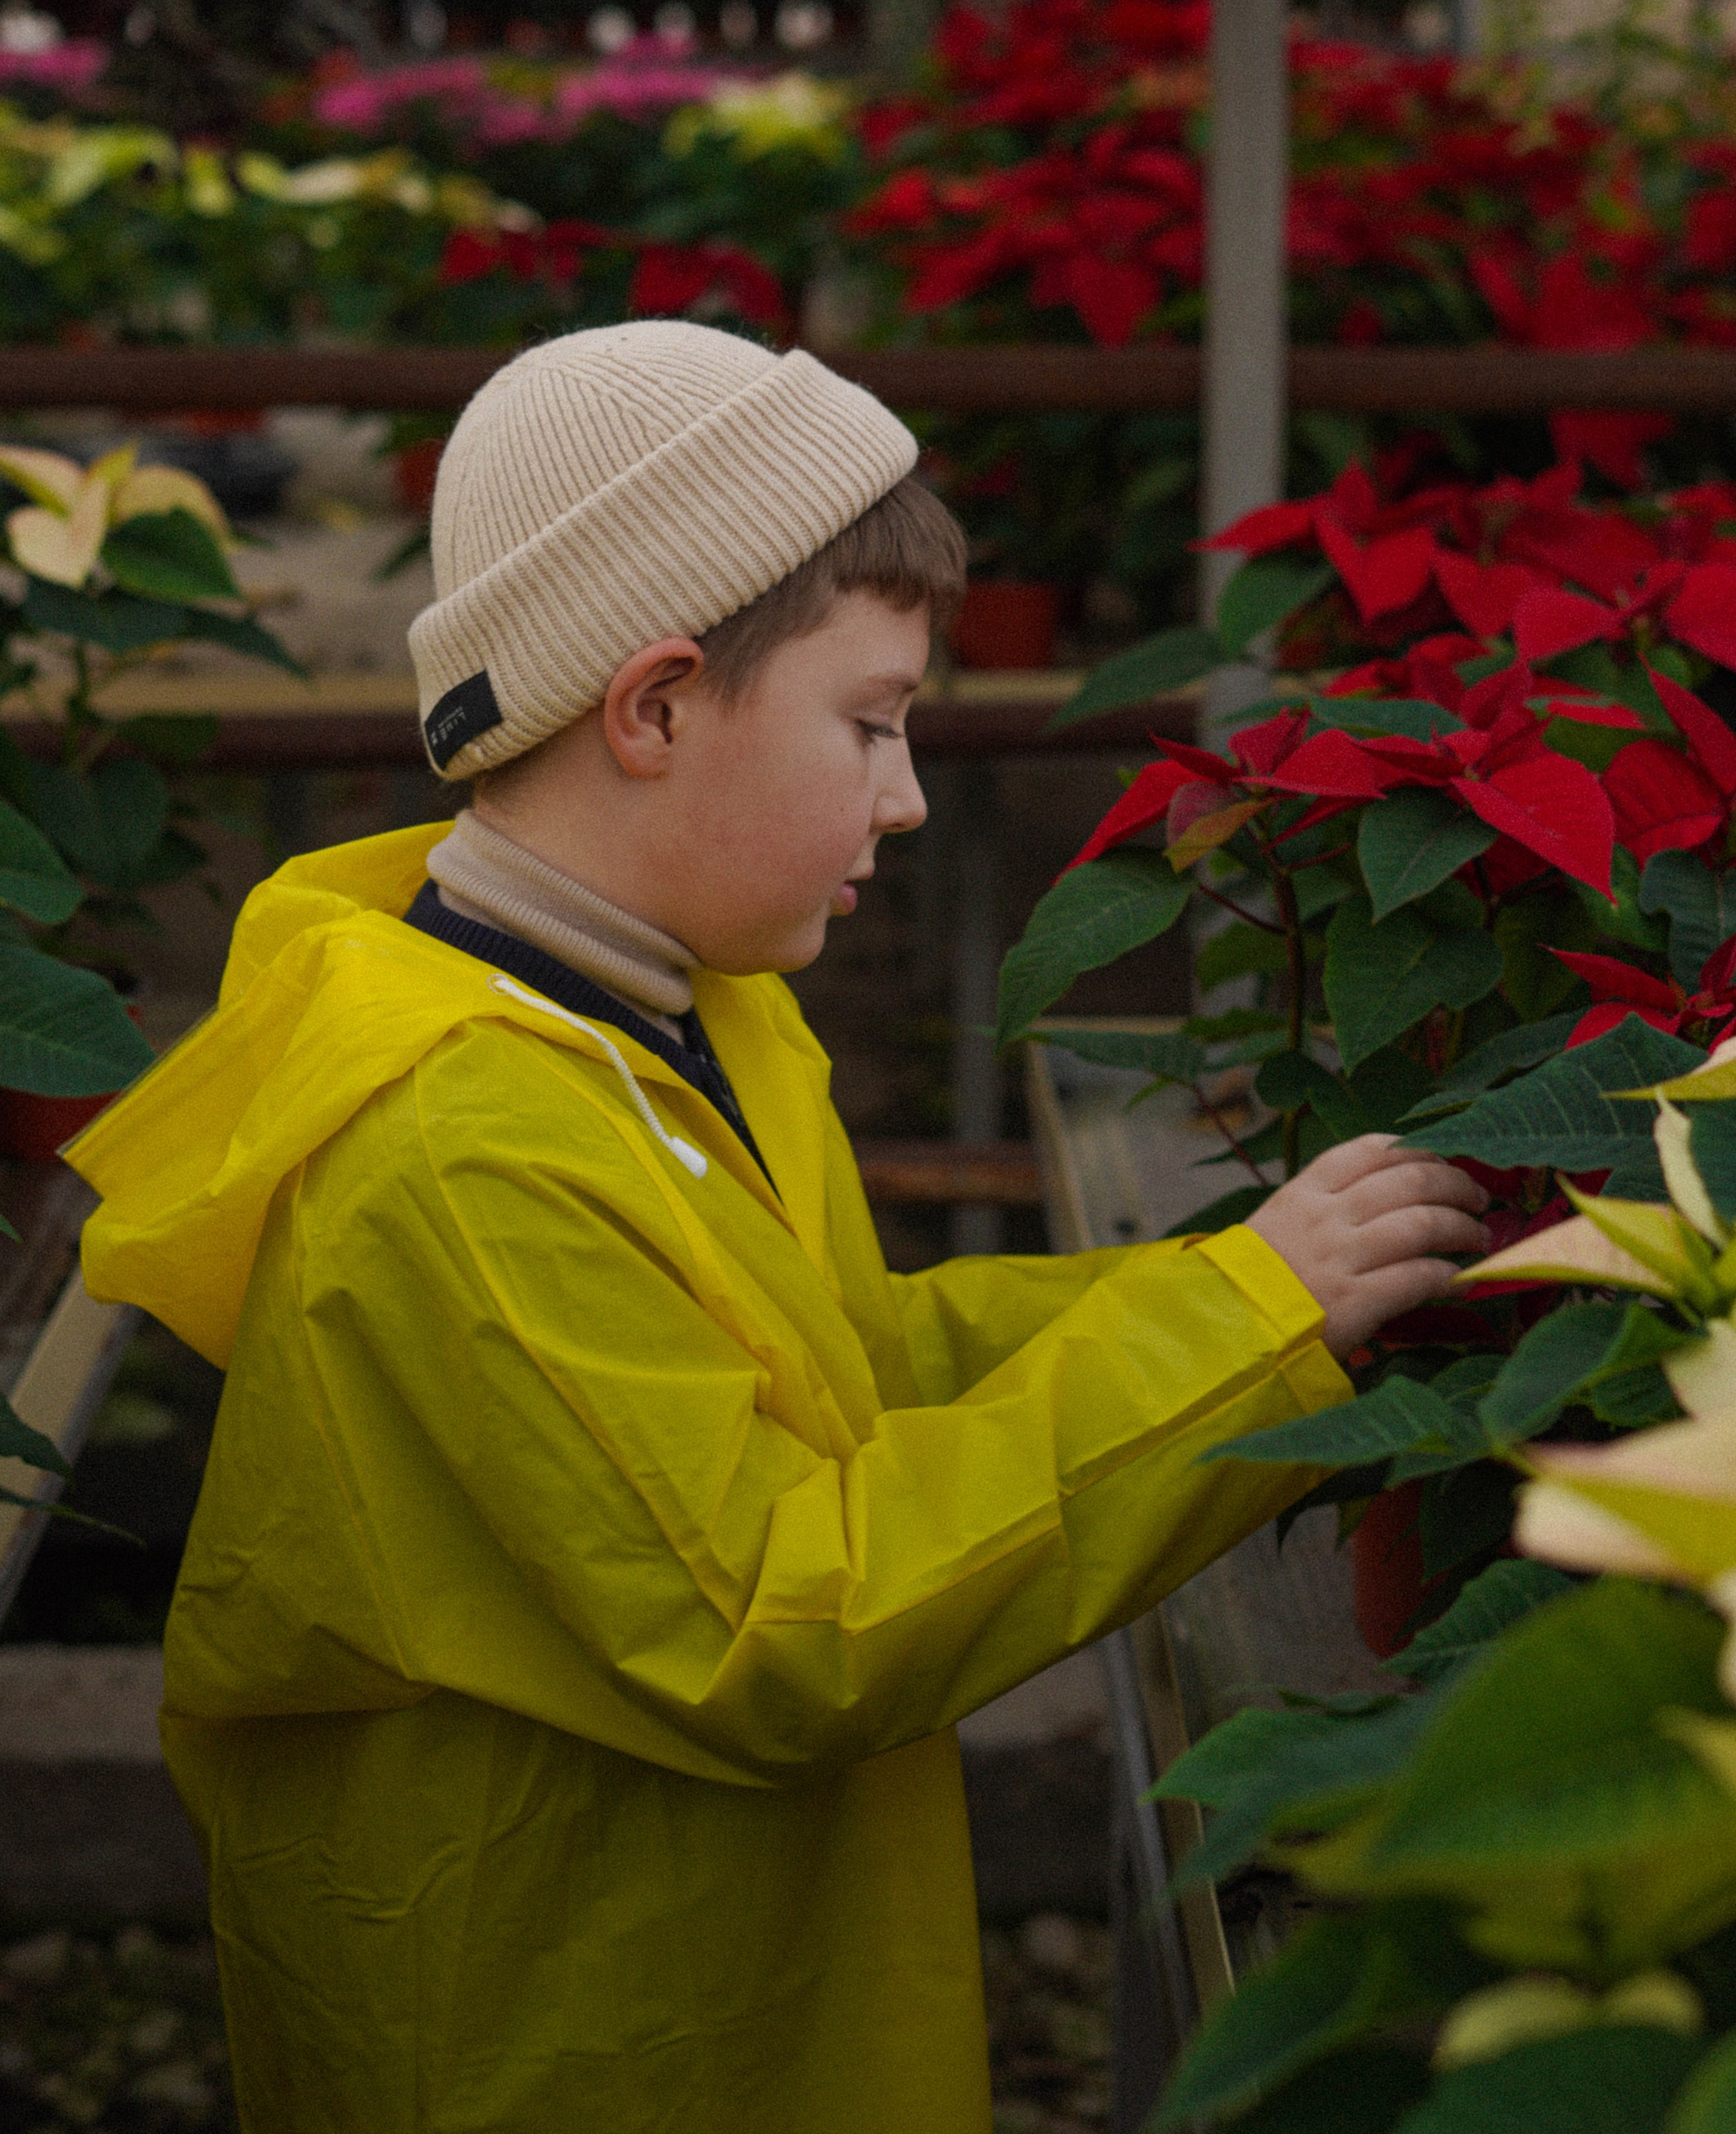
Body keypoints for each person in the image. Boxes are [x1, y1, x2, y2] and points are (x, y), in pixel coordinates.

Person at [73, 321, 1488, 2134]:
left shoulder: (675, 1001)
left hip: (713, 1956)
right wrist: (1235, 1329)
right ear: (651, 707)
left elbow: (845, 1365)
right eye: (870, 723)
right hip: (560, 2021)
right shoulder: (458, 1139)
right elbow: (777, 1615)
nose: (904, 795)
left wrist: (1250, 1287)